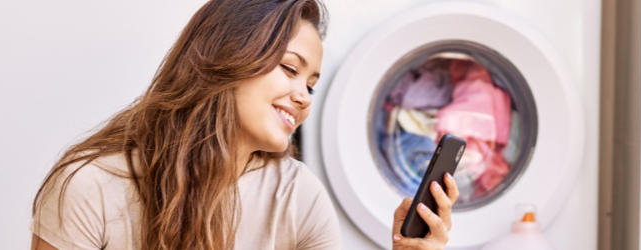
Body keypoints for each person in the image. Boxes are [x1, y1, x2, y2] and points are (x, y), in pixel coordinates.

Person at [29, 0, 460, 249]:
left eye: (311, 85)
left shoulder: (297, 196)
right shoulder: (90, 187)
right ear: (226, 58)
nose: (304, 97)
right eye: (290, 69)